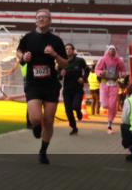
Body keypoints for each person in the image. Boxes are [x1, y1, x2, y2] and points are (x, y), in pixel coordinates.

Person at [16, 9, 69, 164]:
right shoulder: (28, 37)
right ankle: (35, 126)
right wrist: (23, 57)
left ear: (50, 20)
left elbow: (65, 63)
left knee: (49, 120)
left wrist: (55, 55)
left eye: (44, 17)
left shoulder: (56, 41)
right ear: (35, 20)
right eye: (38, 17)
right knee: (35, 117)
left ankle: (43, 151)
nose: (41, 19)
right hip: (33, 83)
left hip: (50, 84)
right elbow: (18, 52)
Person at [95, 45, 127, 134]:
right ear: (108, 51)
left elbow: (124, 71)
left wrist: (121, 74)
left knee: (112, 105)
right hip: (104, 84)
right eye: (110, 49)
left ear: (115, 51)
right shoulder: (103, 59)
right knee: (105, 105)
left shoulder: (119, 61)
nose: (112, 51)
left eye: (113, 50)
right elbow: (96, 70)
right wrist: (101, 73)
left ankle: (109, 123)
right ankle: (111, 111)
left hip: (114, 84)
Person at [60, 43, 89, 135]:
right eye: (66, 49)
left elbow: (87, 69)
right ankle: (74, 127)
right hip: (67, 90)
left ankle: (79, 112)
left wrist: (83, 78)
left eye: (69, 49)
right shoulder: (62, 62)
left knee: (75, 106)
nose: (68, 50)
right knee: (68, 111)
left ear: (73, 50)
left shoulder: (80, 60)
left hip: (77, 89)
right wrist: (61, 74)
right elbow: (58, 77)